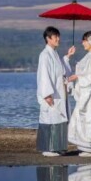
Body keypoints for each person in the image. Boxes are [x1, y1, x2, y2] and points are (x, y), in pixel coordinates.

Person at [36, 27, 76, 157]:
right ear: (48, 38)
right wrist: (47, 94)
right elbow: (44, 75)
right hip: (51, 94)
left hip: (59, 93)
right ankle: (48, 148)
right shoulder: (45, 55)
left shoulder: (55, 54)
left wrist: (68, 56)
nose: (58, 39)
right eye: (55, 37)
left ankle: (57, 147)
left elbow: (61, 69)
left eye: (58, 36)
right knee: (49, 119)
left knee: (59, 118)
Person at [67, 31, 91, 157]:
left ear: (90, 41)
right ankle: (86, 145)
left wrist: (78, 77)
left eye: (84, 40)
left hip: (89, 92)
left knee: (90, 118)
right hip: (86, 91)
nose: (82, 43)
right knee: (85, 117)